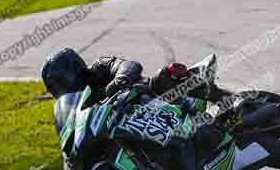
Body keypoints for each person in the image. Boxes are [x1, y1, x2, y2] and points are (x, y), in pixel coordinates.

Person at [41, 48, 225, 147]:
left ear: (71, 70)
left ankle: (220, 101)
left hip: (146, 99)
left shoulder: (99, 67)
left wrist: (120, 79)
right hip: (127, 128)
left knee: (163, 78)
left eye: (60, 83)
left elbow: (129, 65)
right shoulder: (76, 106)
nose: (60, 89)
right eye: (55, 88)